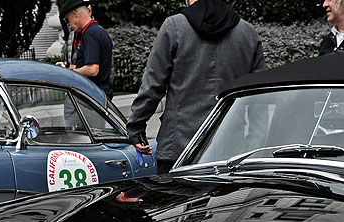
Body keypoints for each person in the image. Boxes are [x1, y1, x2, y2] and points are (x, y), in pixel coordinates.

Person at [127, 0, 264, 174]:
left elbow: (153, 85)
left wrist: (136, 128)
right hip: (230, 148)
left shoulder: (174, 27)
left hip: (178, 146)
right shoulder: (247, 33)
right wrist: (255, 145)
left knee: (174, 200)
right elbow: (258, 97)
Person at [58, 0, 113, 98]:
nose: (68, 24)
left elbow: (92, 69)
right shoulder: (97, 30)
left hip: (91, 96)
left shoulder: (90, 34)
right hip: (98, 94)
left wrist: (68, 73)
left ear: (75, 14)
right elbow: (87, 65)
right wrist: (68, 67)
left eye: (67, 19)